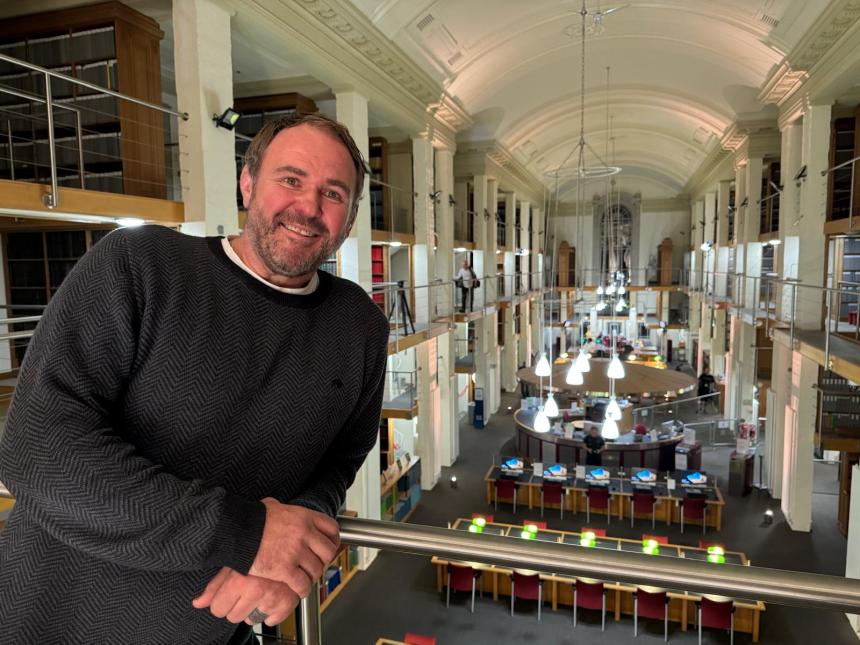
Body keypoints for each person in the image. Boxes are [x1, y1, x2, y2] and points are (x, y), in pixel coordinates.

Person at [0, 114, 390, 644]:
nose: (308, 207)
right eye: (291, 179)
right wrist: (250, 537)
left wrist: (291, 555)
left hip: (212, 632)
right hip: (54, 618)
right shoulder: (141, 263)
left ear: (349, 219)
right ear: (247, 183)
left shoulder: (360, 326)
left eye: (334, 193)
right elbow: (38, 451)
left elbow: (340, 461)